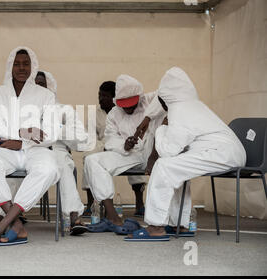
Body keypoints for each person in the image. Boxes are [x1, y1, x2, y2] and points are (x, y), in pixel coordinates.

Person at [125, 67, 246, 241]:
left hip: (222, 153)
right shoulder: (193, 105)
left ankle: (155, 227)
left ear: (164, 99)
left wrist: (162, 127)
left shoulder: (180, 111)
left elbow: (167, 151)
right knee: (176, 168)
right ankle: (179, 224)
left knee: (164, 166)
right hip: (225, 152)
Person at [0, 47, 59, 246]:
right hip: (8, 150)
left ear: (33, 66)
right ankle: (17, 225)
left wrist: (21, 140)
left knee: (50, 169)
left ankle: (3, 224)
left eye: (26, 63)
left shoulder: (46, 96)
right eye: (17, 64)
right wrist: (24, 132)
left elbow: (51, 133)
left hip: (36, 151)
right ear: (10, 66)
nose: (21, 68)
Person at [84, 74, 164, 234]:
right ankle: (113, 217)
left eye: (131, 104)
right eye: (124, 104)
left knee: (170, 158)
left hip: (152, 152)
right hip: (129, 154)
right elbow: (110, 139)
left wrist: (148, 118)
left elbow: (170, 91)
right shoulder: (114, 113)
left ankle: (165, 219)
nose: (127, 108)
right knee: (92, 160)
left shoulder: (150, 100)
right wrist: (124, 145)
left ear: (139, 96)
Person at [35, 71, 89, 235]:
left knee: (63, 166)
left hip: (56, 149)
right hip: (32, 150)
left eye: (41, 84)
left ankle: (73, 216)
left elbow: (82, 139)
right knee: (12, 162)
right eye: (34, 85)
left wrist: (56, 129)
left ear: (50, 86)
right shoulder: (24, 109)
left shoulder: (64, 110)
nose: (37, 88)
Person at [81, 81, 115, 216]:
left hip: (119, 148)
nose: (101, 99)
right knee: (88, 155)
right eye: (99, 95)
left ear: (114, 98)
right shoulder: (94, 114)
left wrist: (111, 146)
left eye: (105, 96)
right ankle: (91, 203)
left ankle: (139, 203)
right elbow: (90, 138)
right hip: (100, 147)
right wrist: (103, 147)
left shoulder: (122, 112)